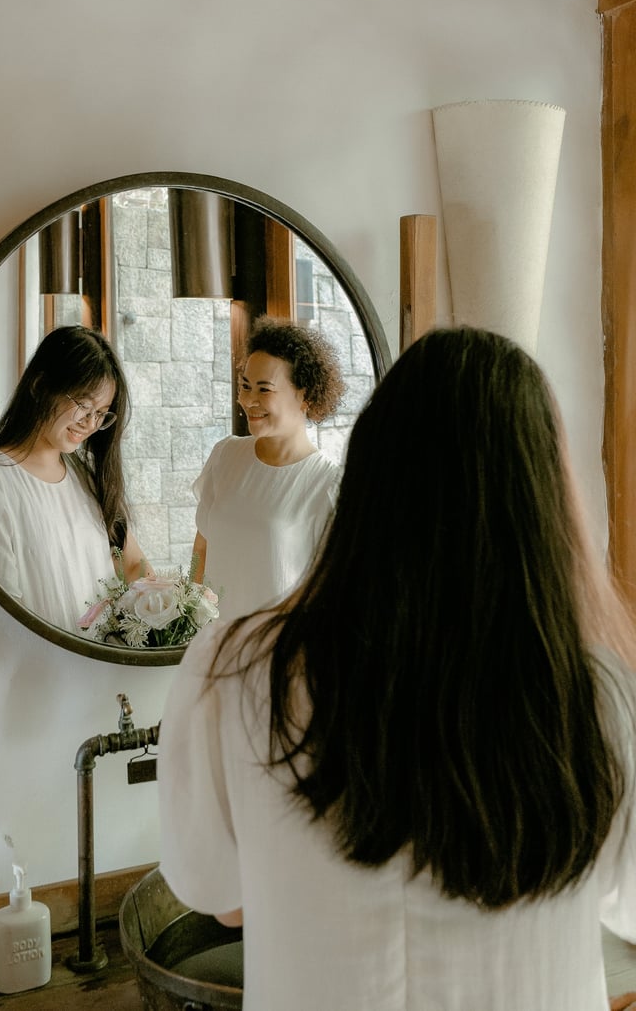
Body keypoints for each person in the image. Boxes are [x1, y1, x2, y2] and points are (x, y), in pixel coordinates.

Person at [159, 325, 636, 1011]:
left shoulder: (234, 670)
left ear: (372, 476)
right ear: (541, 495)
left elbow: (217, 898)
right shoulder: (596, 693)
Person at [0, 325, 152, 633]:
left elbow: (136, 567)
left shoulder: (84, 479)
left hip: (95, 671)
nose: (90, 423)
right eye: (83, 405)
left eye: (101, 413)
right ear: (41, 386)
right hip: (31, 671)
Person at [191, 315, 346, 622]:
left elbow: (332, 593)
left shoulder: (327, 484)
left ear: (305, 394)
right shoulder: (225, 456)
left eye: (264, 390)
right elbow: (202, 548)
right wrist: (189, 620)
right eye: (245, 386)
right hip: (213, 645)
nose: (248, 400)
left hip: (277, 654)